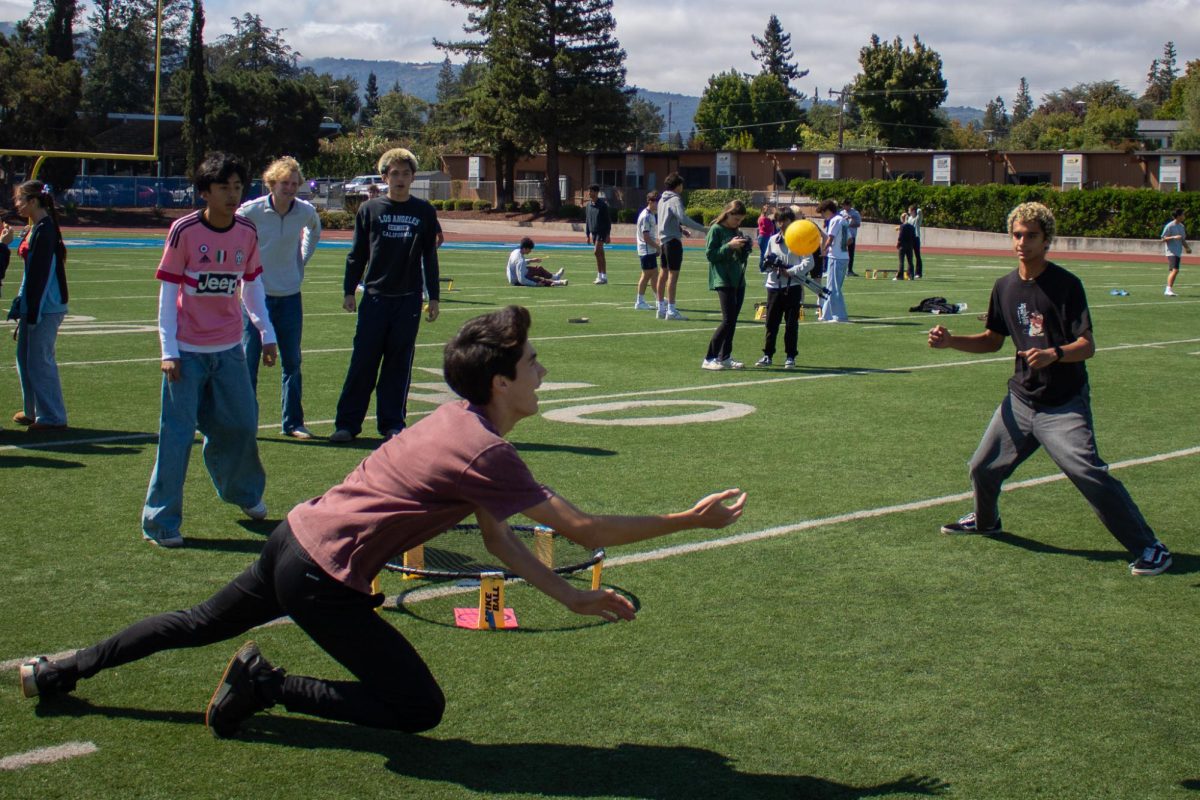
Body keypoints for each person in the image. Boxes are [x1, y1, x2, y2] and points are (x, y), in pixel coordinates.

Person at [18, 305, 748, 740]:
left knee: (195, 621)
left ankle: (59, 671)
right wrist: (690, 518)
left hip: (294, 540)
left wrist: (569, 597)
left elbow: (498, 538)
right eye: (532, 362)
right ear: (501, 383)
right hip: (321, 576)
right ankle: (264, 685)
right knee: (417, 708)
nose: (542, 372)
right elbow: (585, 530)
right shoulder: (487, 451)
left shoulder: (457, 419)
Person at [929, 202, 1171, 577]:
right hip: (1021, 400)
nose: (1022, 242)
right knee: (982, 468)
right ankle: (986, 520)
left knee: (1087, 471)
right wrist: (951, 342)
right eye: (1017, 235)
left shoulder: (1066, 285)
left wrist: (1054, 354)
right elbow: (993, 340)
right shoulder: (1005, 287)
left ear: (1046, 241)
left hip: (1062, 404)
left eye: (1031, 236)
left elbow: (1087, 346)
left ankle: (1150, 547)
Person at [141, 153, 278, 548]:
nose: (233, 194)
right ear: (205, 192)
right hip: (186, 352)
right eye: (224, 187)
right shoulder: (184, 230)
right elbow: (168, 293)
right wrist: (169, 350)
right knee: (177, 435)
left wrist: (265, 332)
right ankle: (161, 520)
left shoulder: (247, 232)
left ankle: (244, 491)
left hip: (230, 348)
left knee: (242, 425)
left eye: (237, 187)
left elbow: (251, 285)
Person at [331, 148, 440, 443]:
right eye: (395, 173)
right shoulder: (370, 210)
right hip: (376, 297)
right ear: (384, 177)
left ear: (413, 177)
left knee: (398, 364)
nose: (400, 179)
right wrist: (349, 290)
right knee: (363, 362)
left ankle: (392, 424)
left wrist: (435, 296)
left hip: (408, 299)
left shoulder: (424, 211)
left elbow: (430, 255)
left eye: (406, 173)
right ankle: (347, 424)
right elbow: (357, 254)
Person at [237, 157, 322, 440]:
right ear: (272, 183)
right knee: (248, 363)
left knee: (292, 362)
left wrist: (302, 258)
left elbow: (314, 229)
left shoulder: (305, 211)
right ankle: (245, 422)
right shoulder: (251, 210)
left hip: (289, 297)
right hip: (254, 297)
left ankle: (293, 422)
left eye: (295, 183)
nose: (290, 188)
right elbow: (231, 231)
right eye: (285, 183)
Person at [9, 181, 69, 431]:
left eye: (20, 199)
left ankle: (53, 416)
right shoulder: (36, 228)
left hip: (47, 306)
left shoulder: (45, 230)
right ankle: (33, 410)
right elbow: (30, 274)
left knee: (39, 361)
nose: (16, 204)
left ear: (33, 201)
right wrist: (21, 304)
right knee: (24, 358)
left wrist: (32, 312)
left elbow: (41, 276)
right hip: (35, 304)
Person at [755, 207, 810, 369]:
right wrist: (770, 265)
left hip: (793, 286)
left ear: (792, 221)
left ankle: (791, 356)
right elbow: (766, 260)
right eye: (779, 220)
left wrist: (791, 271)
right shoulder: (773, 240)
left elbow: (809, 263)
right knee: (771, 323)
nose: (781, 224)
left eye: (784, 220)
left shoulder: (800, 239)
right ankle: (768, 354)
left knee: (791, 324)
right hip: (773, 287)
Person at [701, 200, 751, 371]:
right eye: (736, 219)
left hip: (738, 279)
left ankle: (725, 356)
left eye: (740, 220)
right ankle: (709, 357)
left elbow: (740, 259)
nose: (738, 223)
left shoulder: (735, 230)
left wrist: (744, 249)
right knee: (728, 319)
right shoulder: (716, 230)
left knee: (732, 320)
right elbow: (711, 255)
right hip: (723, 279)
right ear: (728, 214)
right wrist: (729, 246)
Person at [655, 173, 707, 320]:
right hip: (672, 242)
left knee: (663, 273)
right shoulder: (675, 199)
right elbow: (683, 217)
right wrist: (703, 229)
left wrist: (680, 229)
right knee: (673, 275)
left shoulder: (661, 200)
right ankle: (671, 310)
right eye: (681, 185)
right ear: (677, 185)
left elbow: (667, 219)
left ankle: (661, 308)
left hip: (663, 240)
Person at [817, 199, 849, 322]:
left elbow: (830, 238)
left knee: (834, 288)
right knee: (830, 287)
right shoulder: (843, 220)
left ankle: (839, 315)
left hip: (836, 257)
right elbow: (850, 239)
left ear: (828, 211)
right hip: (843, 256)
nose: (823, 215)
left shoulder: (835, 220)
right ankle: (827, 314)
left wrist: (824, 250)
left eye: (823, 213)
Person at [633, 190, 660, 309]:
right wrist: (658, 247)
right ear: (649, 201)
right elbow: (646, 237)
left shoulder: (651, 214)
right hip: (646, 250)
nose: (657, 204)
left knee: (654, 274)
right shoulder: (646, 216)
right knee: (646, 275)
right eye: (655, 201)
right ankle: (639, 301)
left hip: (650, 249)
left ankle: (658, 299)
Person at [584, 184, 611, 285]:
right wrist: (587, 235)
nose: (589, 193)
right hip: (593, 233)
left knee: (596, 252)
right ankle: (602, 276)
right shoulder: (588, 205)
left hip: (601, 232)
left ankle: (601, 275)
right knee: (600, 254)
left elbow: (608, 221)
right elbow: (587, 220)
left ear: (596, 192)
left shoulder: (602, 205)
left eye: (591, 191)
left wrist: (608, 234)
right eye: (589, 191)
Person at [1160, 208, 1190, 296]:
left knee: (1173, 271)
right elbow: (1162, 238)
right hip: (1171, 251)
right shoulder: (1169, 226)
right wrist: (1173, 237)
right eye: (1183, 214)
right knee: (1175, 270)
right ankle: (1168, 290)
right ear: (1178, 216)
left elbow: (1182, 239)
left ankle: (1168, 289)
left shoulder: (1181, 226)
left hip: (1178, 251)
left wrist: (1187, 248)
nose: (1184, 216)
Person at [840, 199, 862, 277]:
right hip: (843, 236)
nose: (844, 207)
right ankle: (842, 270)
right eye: (843, 205)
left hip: (851, 235)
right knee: (842, 253)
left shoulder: (855, 213)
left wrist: (850, 223)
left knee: (851, 254)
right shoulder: (841, 213)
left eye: (845, 205)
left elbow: (858, 224)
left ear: (849, 205)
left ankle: (850, 270)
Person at [896, 213, 917, 281]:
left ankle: (900, 276)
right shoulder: (912, 227)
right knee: (910, 261)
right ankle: (911, 276)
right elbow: (914, 237)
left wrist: (898, 243)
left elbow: (900, 236)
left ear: (903, 218)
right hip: (910, 245)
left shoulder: (902, 226)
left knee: (901, 261)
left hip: (903, 245)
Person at [756, 204, 776, 270]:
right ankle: (762, 267)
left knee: (766, 253)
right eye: (767, 210)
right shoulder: (763, 218)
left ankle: (764, 267)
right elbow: (766, 228)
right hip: (763, 237)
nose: (769, 211)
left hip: (766, 237)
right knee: (764, 253)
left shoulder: (766, 218)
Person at [907, 204, 924, 278]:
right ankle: (910, 272)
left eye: (909, 210)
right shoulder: (909, 218)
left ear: (913, 211)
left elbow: (920, 211)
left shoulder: (917, 218)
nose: (908, 212)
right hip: (910, 238)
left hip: (916, 238)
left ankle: (918, 273)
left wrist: (916, 209)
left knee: (917, 256)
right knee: (909, 256)